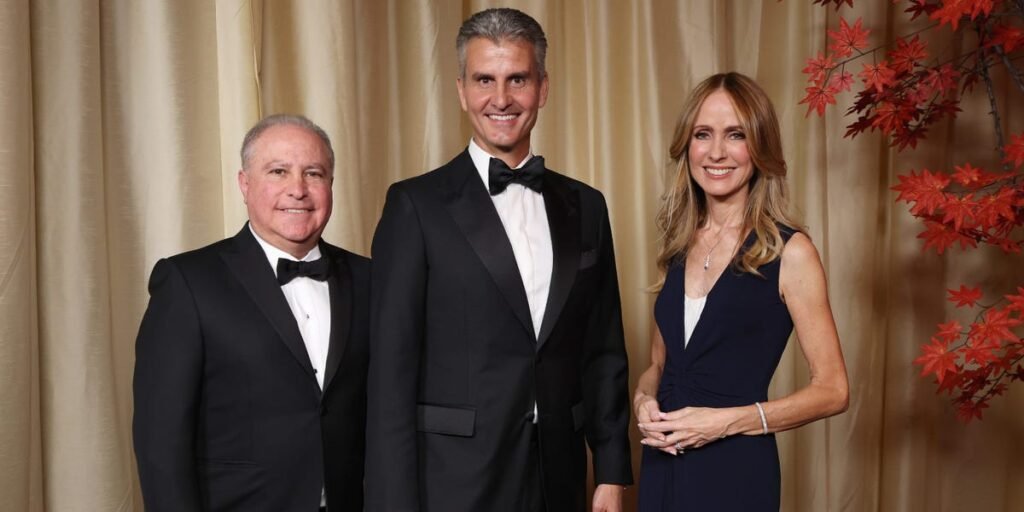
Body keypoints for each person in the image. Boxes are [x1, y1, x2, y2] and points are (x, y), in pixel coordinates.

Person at [365, 7, 632, 512]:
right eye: (484, 79)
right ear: (461, 90)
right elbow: (390, 377)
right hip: (453, 483)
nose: (501, 99)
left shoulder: (587, 206)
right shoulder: (415, 206)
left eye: (518, 79)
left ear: (543, 88)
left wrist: (613, 472)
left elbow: (604, 352)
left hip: (559, 479)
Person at [634, 72, 849, 511]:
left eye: (736, 135)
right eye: (703, 134)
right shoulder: (678, 245)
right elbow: (659, 362)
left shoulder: (791, 252)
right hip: (661, 465)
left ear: (760, 146)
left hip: (735, 473)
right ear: (687, 146)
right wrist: (643, 399)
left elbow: (833, 390)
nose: (716, 152)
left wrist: (725, 423)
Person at [133, 114, 370, 512]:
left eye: (313, 174)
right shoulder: (188, 282)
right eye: (278, 172)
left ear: (331, 184)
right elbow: (161, 441)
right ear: (244, 184)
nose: (298, 190)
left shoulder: (371, 279)